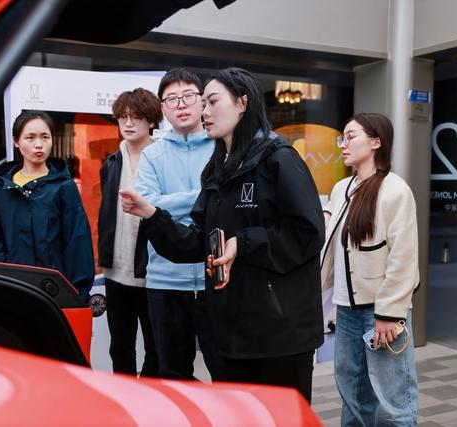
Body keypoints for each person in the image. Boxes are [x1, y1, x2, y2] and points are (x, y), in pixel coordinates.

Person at [121, 67, 325, 401]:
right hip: (231, 330)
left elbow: (307, 232)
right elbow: (197, 243)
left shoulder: (279, 160)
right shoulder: (217, 170)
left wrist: (242, 243)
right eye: (203, 103)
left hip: (280, 331)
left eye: (212, 101)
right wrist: (152, 215)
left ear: (242, 103)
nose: (204, 111)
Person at [320, 113, 419, 425]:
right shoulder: (341, 188)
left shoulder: (395, 190)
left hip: (381, 312)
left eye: (351, 137)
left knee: (393, 400)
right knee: (352, 396)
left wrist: (389, 313)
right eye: (343, 137)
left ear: (376, 142)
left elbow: (404, 257)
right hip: (346, 310)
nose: (343, 144)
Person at [134, 68, 223, 381]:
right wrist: (204, 197)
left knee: (226, 373)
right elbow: (145, 205)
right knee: (172, 375)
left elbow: (227, 200)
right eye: (172, 99)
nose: (181, 105)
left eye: (188, 96)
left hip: (217, 278)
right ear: (162, 108)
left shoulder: (222, 147)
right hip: (165, 281)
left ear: (202, 101)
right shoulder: (152, 155)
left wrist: (163, 205)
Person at [0, 111, 94, 301]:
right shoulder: (3, 185)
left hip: (53, 290)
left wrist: (77, 294)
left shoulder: (64, 186)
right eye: (30, 137)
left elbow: (78, 242)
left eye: (45, 137)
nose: (39, 144)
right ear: (16, 141)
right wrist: (5, 266)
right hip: (13, 286)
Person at [98, 88, 161, 377]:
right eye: (123, 117)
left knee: (156, 347)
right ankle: (125, 399)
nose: (128, 122)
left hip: (152, 272)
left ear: (152, 120)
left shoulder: (161, 158)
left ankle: (147, 398)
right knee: (120, 347)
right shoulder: (111, 163)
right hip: (115, 272)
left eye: (136, 116)